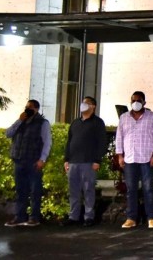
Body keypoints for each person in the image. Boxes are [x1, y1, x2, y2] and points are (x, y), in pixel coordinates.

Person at [115, 91, 153, 229]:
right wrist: (120, 155)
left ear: (144, 102)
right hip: (130, 158)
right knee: (131, 190)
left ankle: (151, 218)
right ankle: (131, 218)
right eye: (133, 100)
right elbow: (119, 137)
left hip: (146, 158)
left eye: (139, 100)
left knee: (148, 189)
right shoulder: (124, 117)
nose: (136, 102)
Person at [5, 99, 52, 227]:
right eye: (26, 107)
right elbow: (8, 134)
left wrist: (42, 159)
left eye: (30, 107)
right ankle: (19, 216)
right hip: (19, 160)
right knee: (21, 191)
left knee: (35, 190)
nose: (27, 109)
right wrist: (20, 120)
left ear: (36, 109)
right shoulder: (21, 121)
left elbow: (47, 142)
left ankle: (34, 217)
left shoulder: (43, 123)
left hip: (34, 161)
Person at [63, 96, 107, 227]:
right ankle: (73, 216)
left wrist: (97, 160)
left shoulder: (97, 122)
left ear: (93, 106)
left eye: (86, 103)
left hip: (89, 162)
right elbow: (69, 142)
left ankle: (89, 217)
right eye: (83, 102)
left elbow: (102, 142)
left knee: (88, 190)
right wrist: (66, 159)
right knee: (74, 190)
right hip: (73, 162)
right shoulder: (75, 122)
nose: (83, 105)